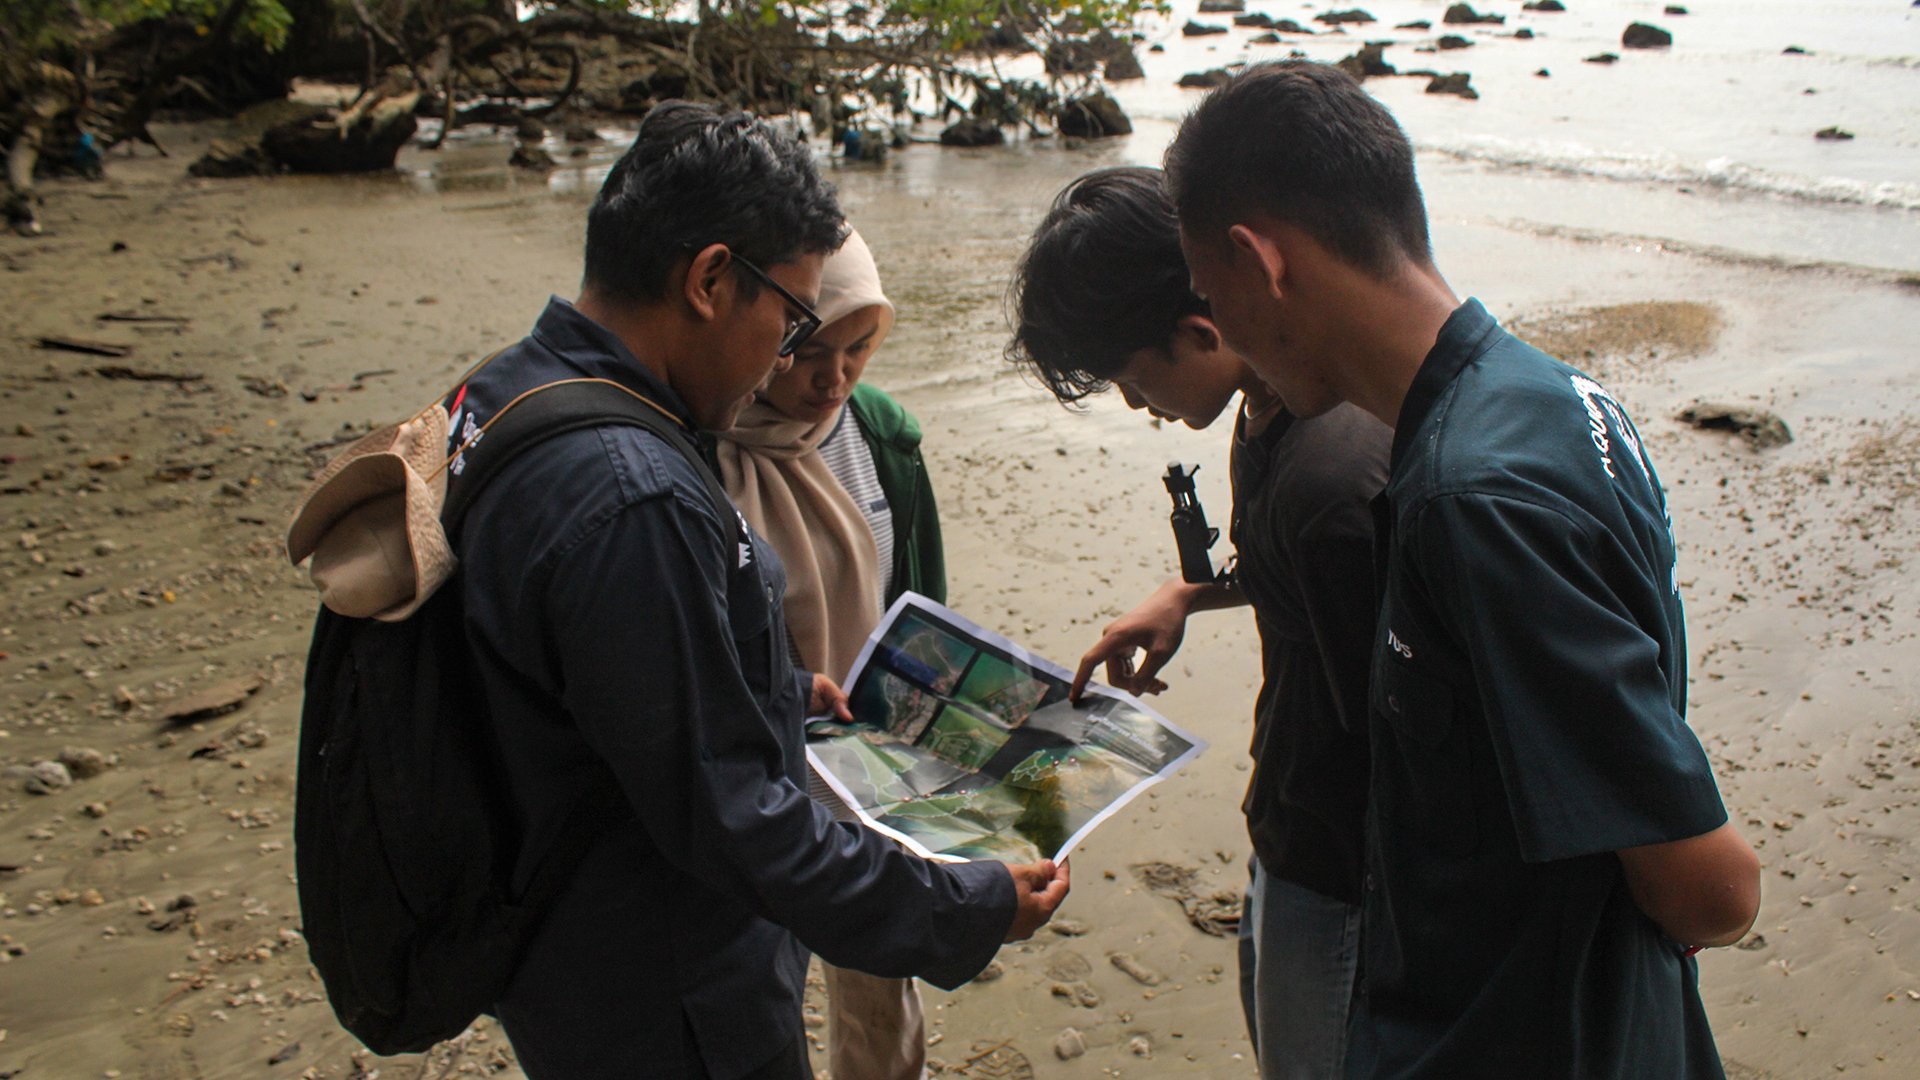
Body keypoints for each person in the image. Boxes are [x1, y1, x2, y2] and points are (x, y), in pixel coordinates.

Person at [440, 101, 1068, 1080]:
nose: (802, 362)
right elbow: (736, 820)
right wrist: (967, 906)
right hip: (668, 982)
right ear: (709, 279)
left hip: (563, 945)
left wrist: (772, 690)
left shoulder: (499, 397)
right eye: (794, 321)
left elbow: (614, 691)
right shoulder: (638, 492)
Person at [1164, 61, 1761, 1079]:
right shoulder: (1550, 394)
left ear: (1257, 260)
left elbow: (1712, 887)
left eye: (1211, 294)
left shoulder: (1472, 499)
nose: (1228, 336)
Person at [1005, 165, 1388, 1080]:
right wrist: (1195, 594)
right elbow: (1295, 571)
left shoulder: (1332, 472)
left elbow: (1388, 740)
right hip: (1288, 828)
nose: (1139, 407)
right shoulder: (1265, 404)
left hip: (1340, 871)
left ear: (1200, 328)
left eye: (1133, 381)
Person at [714, 228, 943, 1080]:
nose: (833, 380)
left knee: (879, 986)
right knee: (751, 980)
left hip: (867, 764)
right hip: (754, 772)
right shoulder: (700, 442)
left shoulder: (879, 434)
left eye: (857, 349)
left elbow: (920, 605)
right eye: (808, 351)